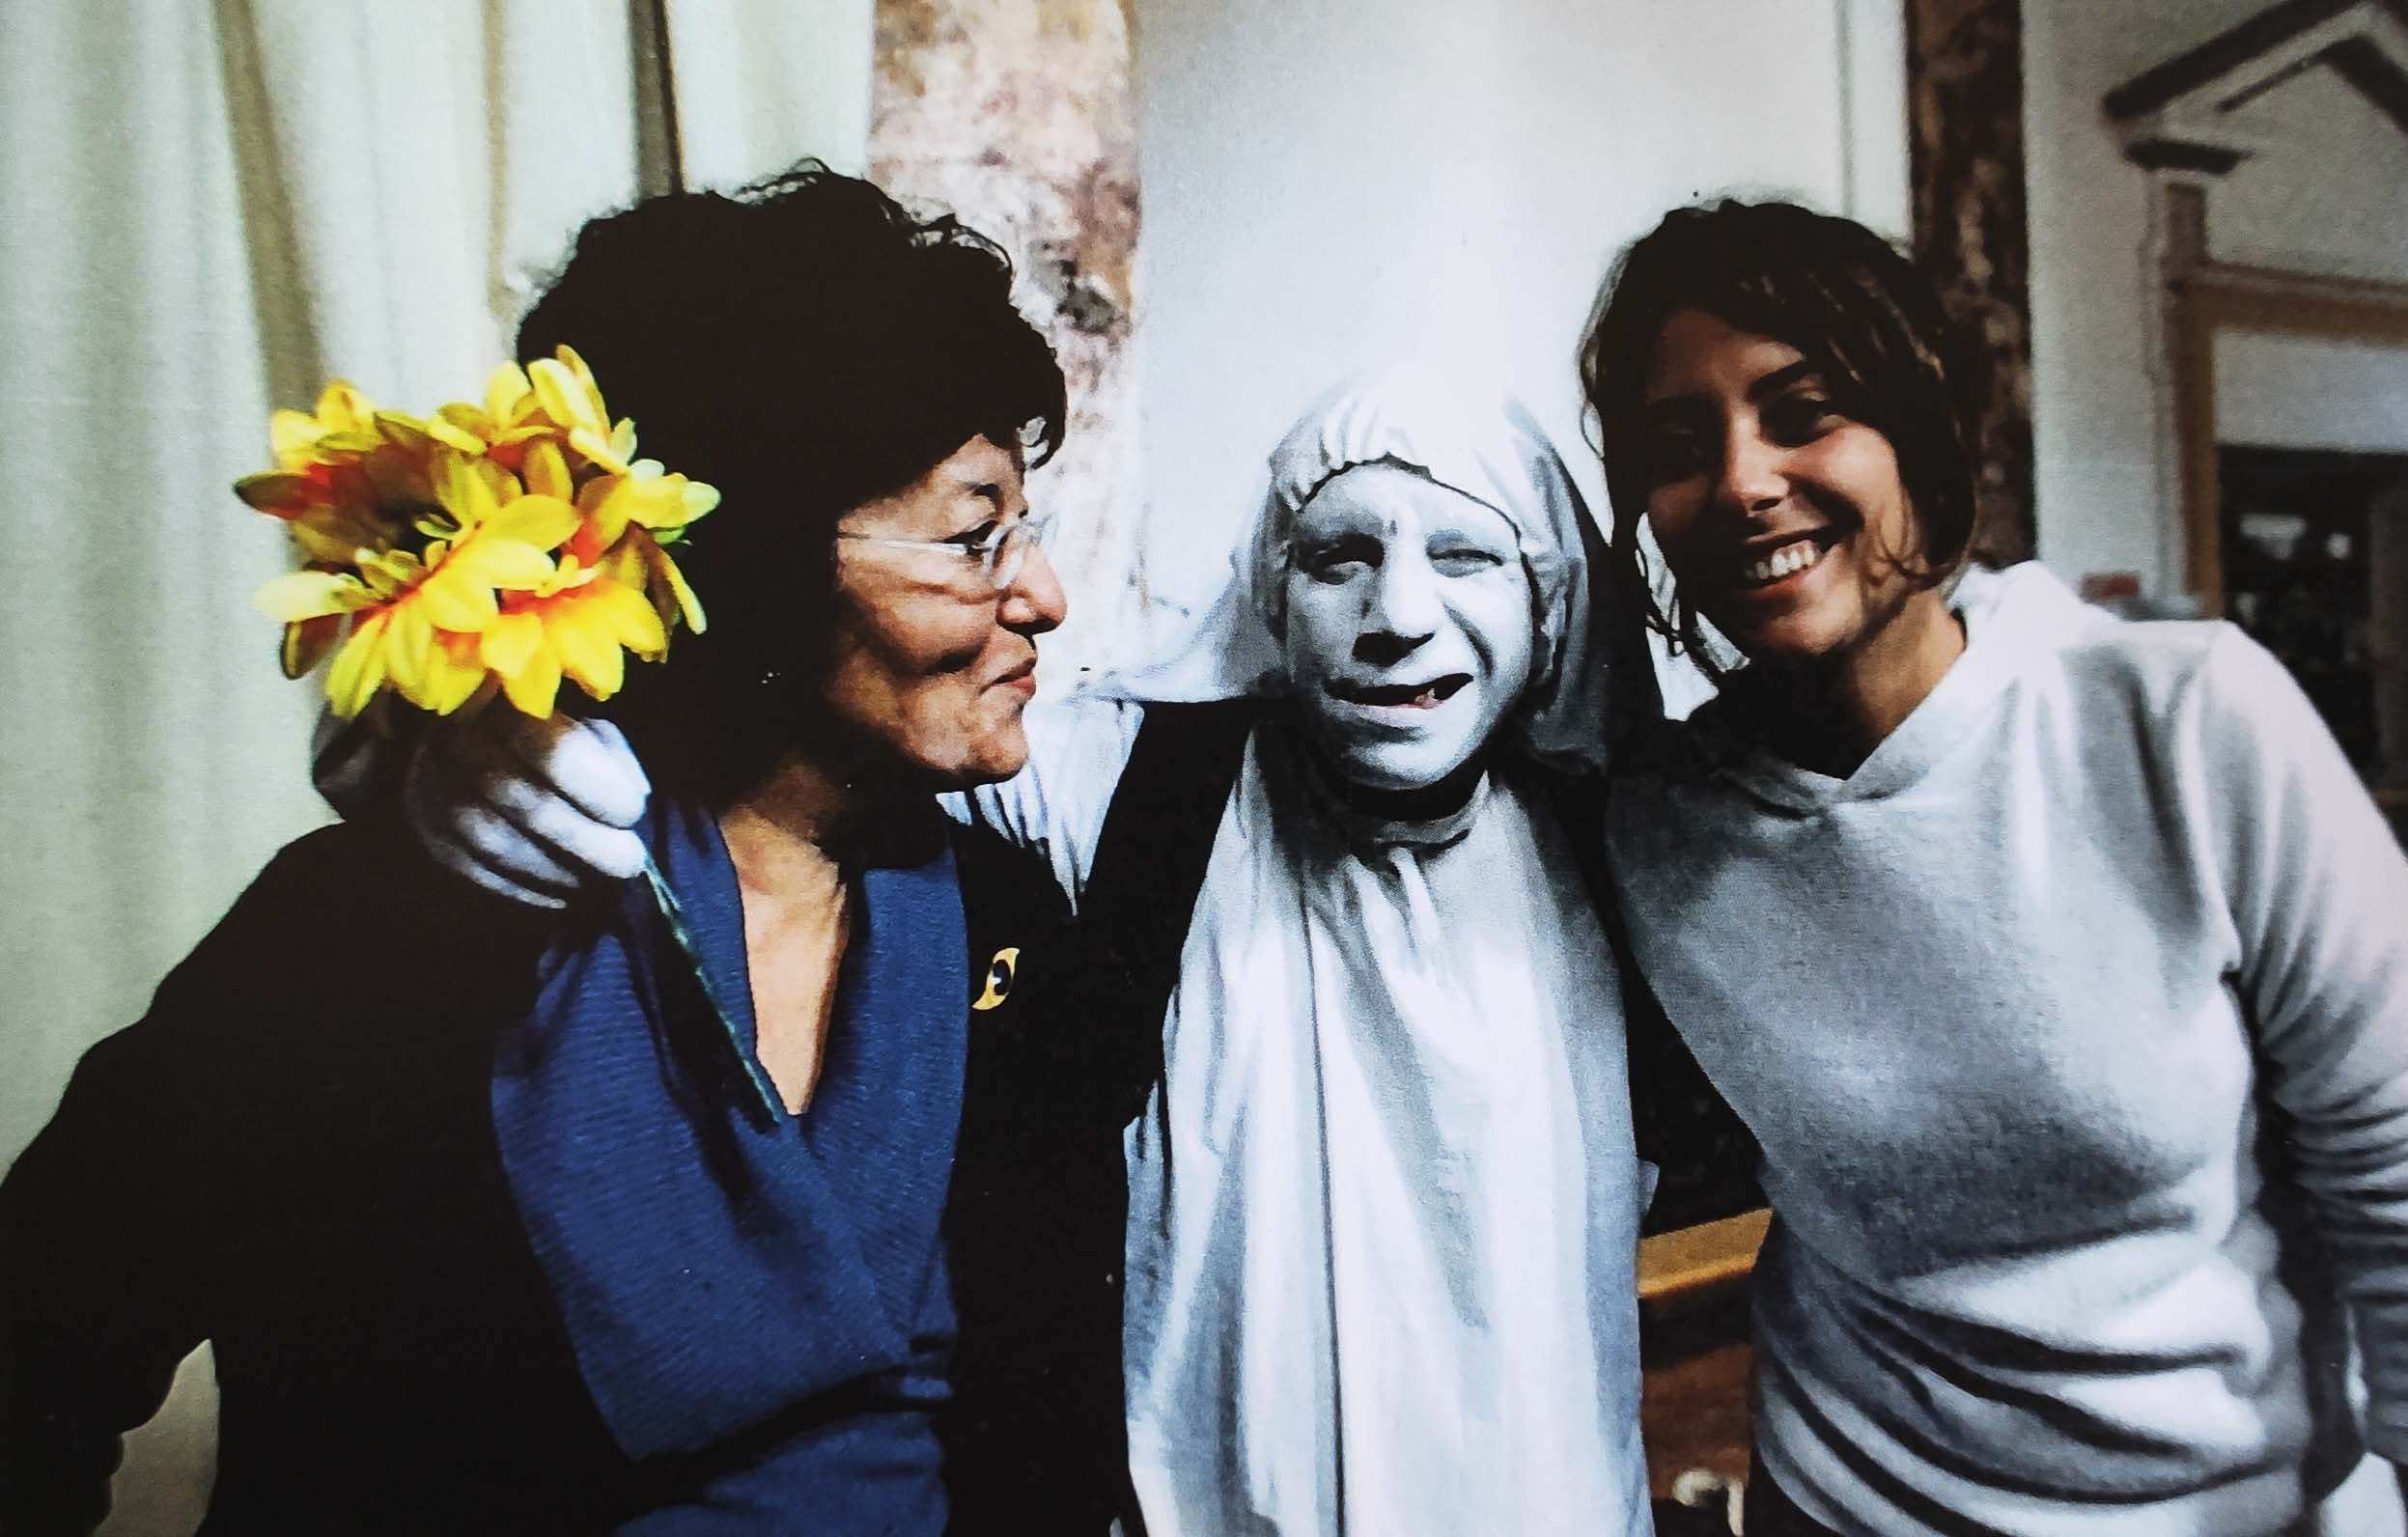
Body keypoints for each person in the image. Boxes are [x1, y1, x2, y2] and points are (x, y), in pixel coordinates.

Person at [369, 362, 1737, 1535]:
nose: (1397, 618)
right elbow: (794, 760)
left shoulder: (1638, 849)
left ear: (1550, 601)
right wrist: (442, 729)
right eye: (1338, 559)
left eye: (1467, 557)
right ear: (1271, 591)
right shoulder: (1136, 792)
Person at [0, 164, 1114, 1535]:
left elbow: (1045, 1438)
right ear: (752, 563)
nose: (1043, 596)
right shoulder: (386, 931)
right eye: (974, 538)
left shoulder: (1008, 930)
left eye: (1025, 530)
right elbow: (36, 1334)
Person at [1582, 198, 2408, 1535]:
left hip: (2229, 1510)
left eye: (1803, 413)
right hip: (1839, 1505)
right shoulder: (1655, 826)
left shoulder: (2184, 720)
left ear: (1918, 428)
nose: (1740, 481)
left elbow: (2396, 1169)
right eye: (1678, 448)